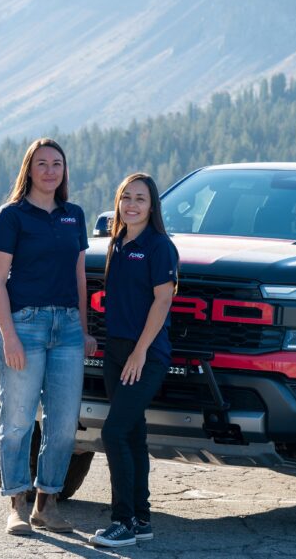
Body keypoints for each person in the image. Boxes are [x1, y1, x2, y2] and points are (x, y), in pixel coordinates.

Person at [0, 138, 97, 535]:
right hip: (24, 325)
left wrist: (83, 329)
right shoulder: (11, 216)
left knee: (64, 425)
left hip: (67, 328)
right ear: (29, 170)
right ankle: (16, 502)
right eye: (42, 163)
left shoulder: (74, 216)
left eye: (57, 164)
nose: (50, 170)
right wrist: (10, 337)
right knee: (17, 420)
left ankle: (46, 504)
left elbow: (79, 276)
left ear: (65, 171)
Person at [90, 173, 178, 548]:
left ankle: (122, 521)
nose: (132, 204)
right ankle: (141, 519)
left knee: (113, 431)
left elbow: (163, 301)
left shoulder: (160, 246)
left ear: (152, 205)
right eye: (126, 197)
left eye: (140, 198)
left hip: (147, 353)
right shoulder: (118, 243)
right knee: (132, 433)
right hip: (116, 350)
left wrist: (141, 351)